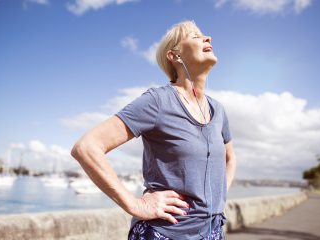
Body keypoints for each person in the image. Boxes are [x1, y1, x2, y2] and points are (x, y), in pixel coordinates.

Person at [71, 20, 236, 240]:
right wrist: (135, 205)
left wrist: (217, 200)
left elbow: (229, 158)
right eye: (195, 36)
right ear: (174, 56)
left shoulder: (218, 110)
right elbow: (87, 148)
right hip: (164, 233)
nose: (208, 38)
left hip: (212, 232)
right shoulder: (158, 101)